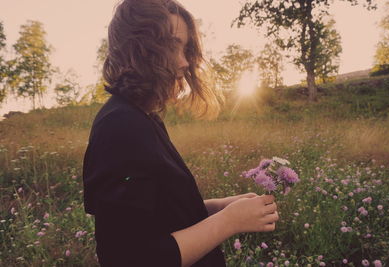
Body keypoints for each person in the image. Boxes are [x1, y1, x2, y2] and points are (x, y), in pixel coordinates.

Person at [82, 0, 279, 266]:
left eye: (186, 48)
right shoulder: (120, 127)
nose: (185, 62)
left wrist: (221, 207)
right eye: (172, 46)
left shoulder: (143, 118)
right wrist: (228, 222)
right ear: (138, 49)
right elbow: (130, 257)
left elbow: (158, 215)